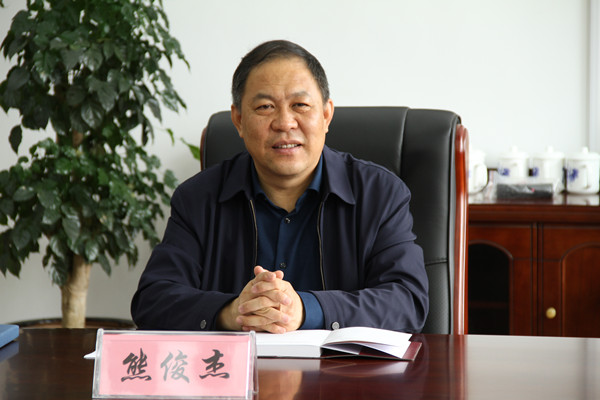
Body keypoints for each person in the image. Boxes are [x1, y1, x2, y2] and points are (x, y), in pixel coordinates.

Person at [131, 40, 428, 334]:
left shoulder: (380, 194)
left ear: (326, 115)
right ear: (238, 120)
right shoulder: (198, 198)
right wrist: (233, 311)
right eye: (265, 107)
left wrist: (307, 309)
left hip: (341, 366)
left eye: (300, 105)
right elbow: (153, 300)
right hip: (237, 366)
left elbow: (407, 301)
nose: (285, 123)